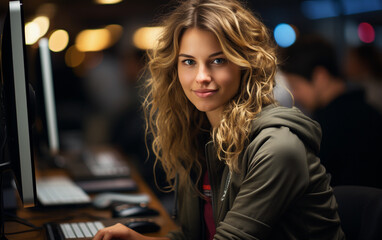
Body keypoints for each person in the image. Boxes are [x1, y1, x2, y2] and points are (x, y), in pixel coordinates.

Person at [93, 0, 345, 239]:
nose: (201, 76)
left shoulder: (277, 148)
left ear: (245, 64)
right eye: (189, 62)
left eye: (217, 60)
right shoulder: (197, 137)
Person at [280, 35, 382, 189]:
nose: (295, 95)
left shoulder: (324, 126)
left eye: (295, 85)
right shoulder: (371, 111)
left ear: (320, 77)